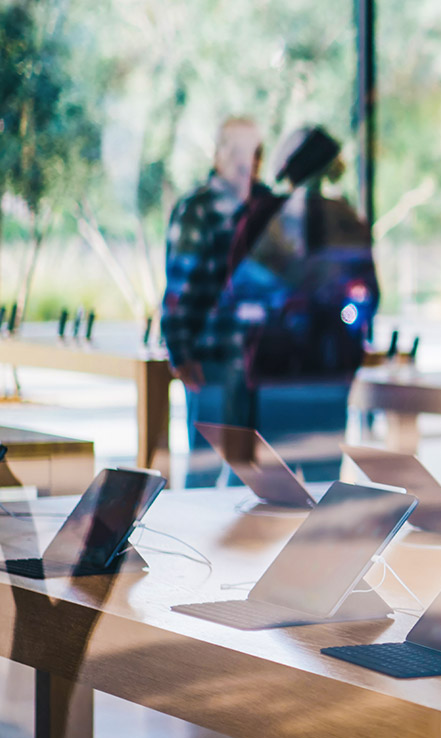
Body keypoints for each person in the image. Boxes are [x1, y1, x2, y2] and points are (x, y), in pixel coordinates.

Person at [217, 126, 380, 482]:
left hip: (317, 372)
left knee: (307, 484)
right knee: (271, 485)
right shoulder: (272, 216)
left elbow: (365, 290)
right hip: (289, 373)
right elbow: (240, 290)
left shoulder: (340, 218)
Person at [162, 116, 265, 487]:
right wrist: (181, 353)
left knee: (255, 478)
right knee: (204, 474)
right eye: (234, 151)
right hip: (213, 361)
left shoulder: (267, 206)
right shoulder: (197, 209)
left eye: (252, 152)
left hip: (263, 367)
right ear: (217, 154)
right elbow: (178, 288)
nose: (243, 161)